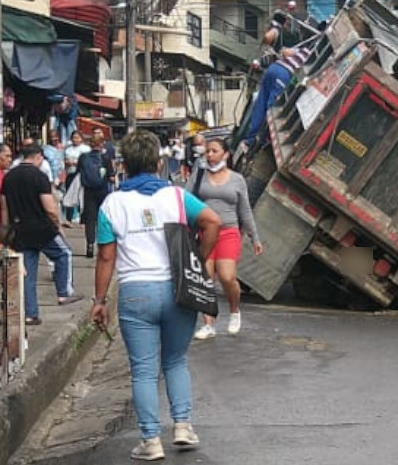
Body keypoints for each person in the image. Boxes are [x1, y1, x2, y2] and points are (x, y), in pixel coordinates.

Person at [91, 130, 222, 460]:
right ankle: (182, 426)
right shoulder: (176, 197)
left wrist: (99, 300)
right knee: (176, 361)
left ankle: (150, 441)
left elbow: (106, 257)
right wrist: (199, 260)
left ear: (124, 164)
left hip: (136, 293)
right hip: (176, 288)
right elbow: (212, 221)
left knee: (144, 370)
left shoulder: (113, 203)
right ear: (159, 162)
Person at [188, 138, 263, 340]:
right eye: (207, 152)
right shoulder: (198, 176)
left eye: (214, 151)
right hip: (205, 233)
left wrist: (254, 237)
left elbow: (245, 210)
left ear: (226, 154)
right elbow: (185, 201)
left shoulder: (237, 179)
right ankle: (209, 324)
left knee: (227, 276)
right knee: (206, 279)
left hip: (229, 232)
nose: (209, 155)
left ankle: (235, 310)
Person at [2, 144, 78, 326]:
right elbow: (50, 208)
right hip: (41, 228)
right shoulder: (39, 177)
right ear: (37, 157)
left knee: (27, 272)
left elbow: (4, 206)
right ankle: (64, 293)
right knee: (64, 253)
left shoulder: (9, 177)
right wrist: (58, 226)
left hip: (19, 228)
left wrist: (6, 229)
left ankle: (30, 313)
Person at [241, 40, 313, 148]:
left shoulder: (302, 50)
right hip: (284, 74)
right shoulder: (312, 56)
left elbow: (285, 51)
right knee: (272, 108)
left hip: (273, 68)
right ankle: (263, 139)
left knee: (260, 104)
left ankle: (250, 139)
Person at [78, 133, 112, 259]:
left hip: (88, 191)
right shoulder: (105, 158)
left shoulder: (83, 157)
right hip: (102, 191)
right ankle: (103, 245)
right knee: (102, 219)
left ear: (90, 144)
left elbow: (79, 171)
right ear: (102, 144)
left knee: (90, 220)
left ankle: (90, 245)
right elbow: (111, 177)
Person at [63, 130, 90, 224]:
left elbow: (85, 162)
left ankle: (83, 219)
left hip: (81, 174)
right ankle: (68, 219)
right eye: (74, 138)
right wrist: (68, 162)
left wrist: (75, 162)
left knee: (81, 197)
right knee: (69, 195)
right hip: (70, 174)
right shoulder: (68, 149)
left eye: (78, 137)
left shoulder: (86, 149)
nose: (76, 140)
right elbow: (65, 161)